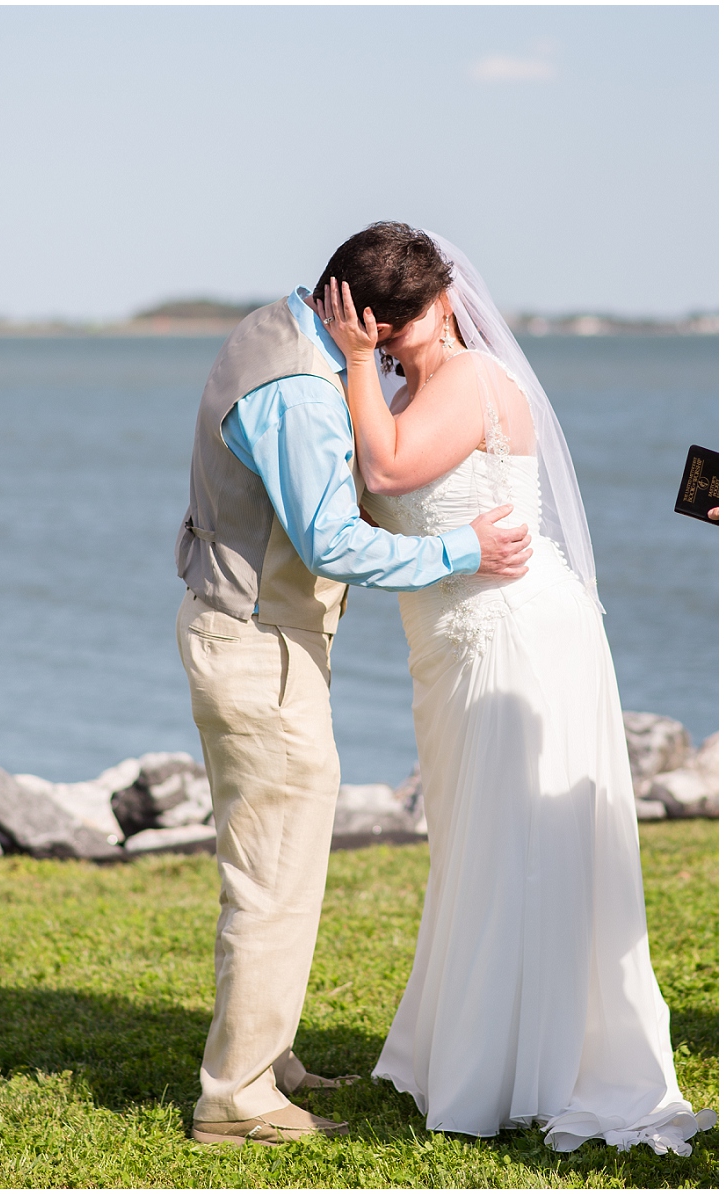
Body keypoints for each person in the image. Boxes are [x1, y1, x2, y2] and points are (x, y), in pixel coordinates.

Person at [319, 223, 716, 1156]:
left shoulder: (468, 382)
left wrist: (351, 363)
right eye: (376, 328)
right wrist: (366, 371)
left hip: (512, 637)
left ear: (445, 301)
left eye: (400, 326)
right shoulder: (408, 384)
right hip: (452, 643)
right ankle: (483, 1047)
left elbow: (384, 471)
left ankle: (521, 1066)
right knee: (476, 843)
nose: (391, 342)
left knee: (515, 841)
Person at [174, 225, 532, 1146]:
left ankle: (267, 1055)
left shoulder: (278, 330)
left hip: (258, 637)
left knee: (277, 861)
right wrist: (464, 549)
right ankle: (237, 1099)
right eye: (392, 343)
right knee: (273, 876)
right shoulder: (298, 388)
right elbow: (332, 543)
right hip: (261, 647)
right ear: (363, 320)